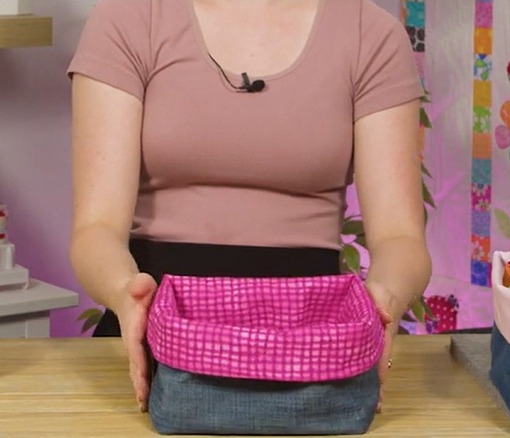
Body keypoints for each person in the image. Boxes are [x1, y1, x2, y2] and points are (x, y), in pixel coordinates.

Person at [67, 0, 431, 414]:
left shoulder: (371, 34)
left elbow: (400, 236)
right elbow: (95, 228)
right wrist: (123, 291)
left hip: (308, 352)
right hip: (156, 342)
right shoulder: (130, 16)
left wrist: (383, 299)